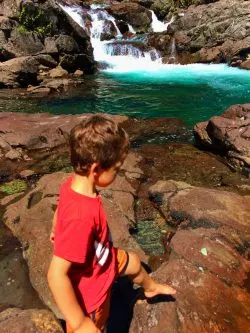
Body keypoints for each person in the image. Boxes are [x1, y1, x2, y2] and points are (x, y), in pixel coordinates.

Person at [47, 115, 176, 333]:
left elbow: (61, 206)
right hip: (92, 290)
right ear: (96, 169)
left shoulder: (72, 183)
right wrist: (79, 322)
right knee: (99, 321)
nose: (118, 173)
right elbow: (55, 274)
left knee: (134, 263)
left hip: (105, 257)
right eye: (116, 169)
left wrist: (55, 228)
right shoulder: (81, 215)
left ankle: (150, 288)